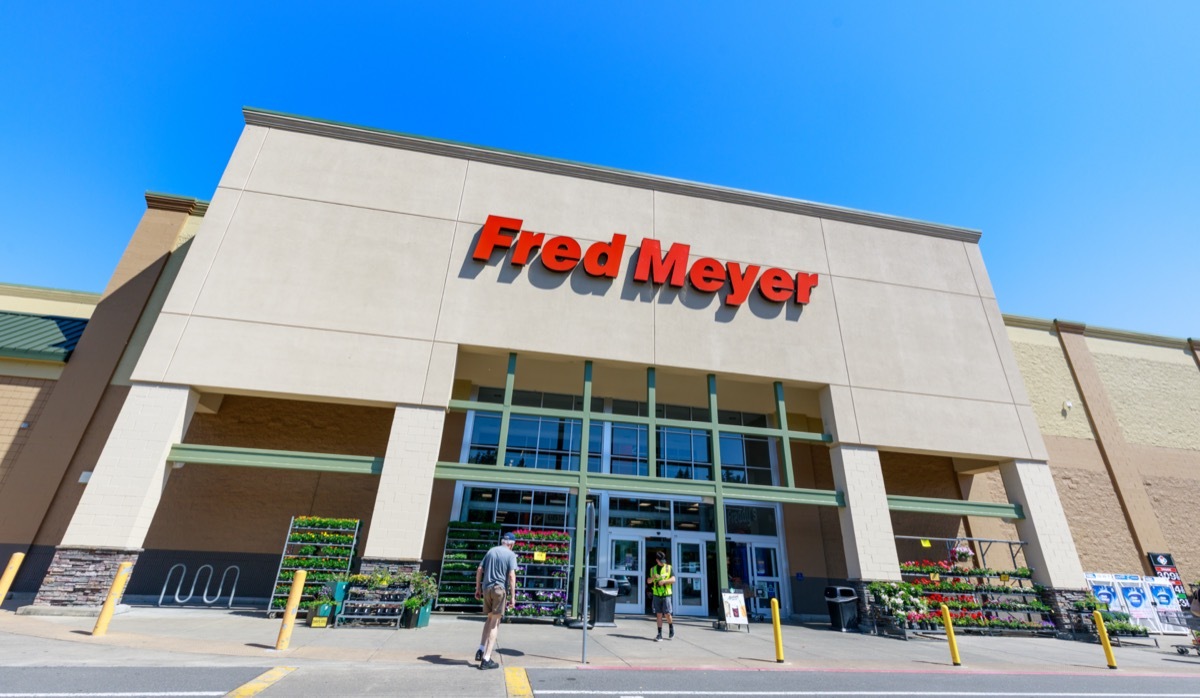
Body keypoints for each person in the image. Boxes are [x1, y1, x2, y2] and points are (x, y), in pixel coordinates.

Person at [474, 531, 518, 670]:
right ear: (511, 545)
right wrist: (512, 596)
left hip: (487, 589)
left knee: (489, 619)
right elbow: (511, 576)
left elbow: (480, 569)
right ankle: (486, 659)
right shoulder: (510, 555)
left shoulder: (491, 551)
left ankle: (480, 649)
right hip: (499, 590)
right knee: (495, 622)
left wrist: (478, 588)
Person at [647, 550, 675, 641]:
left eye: (664, 561)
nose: (663, 563)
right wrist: (653, 577)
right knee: (658, 614)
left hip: (666, 594)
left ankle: (671, 627)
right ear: (657, 560)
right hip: (656, 595)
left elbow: (673, 579)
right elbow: (648, 581)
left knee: (667, 614)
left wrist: (664, 582)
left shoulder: (669, 568)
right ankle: (659, 634)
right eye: (661, 561)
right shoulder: (652, 569)